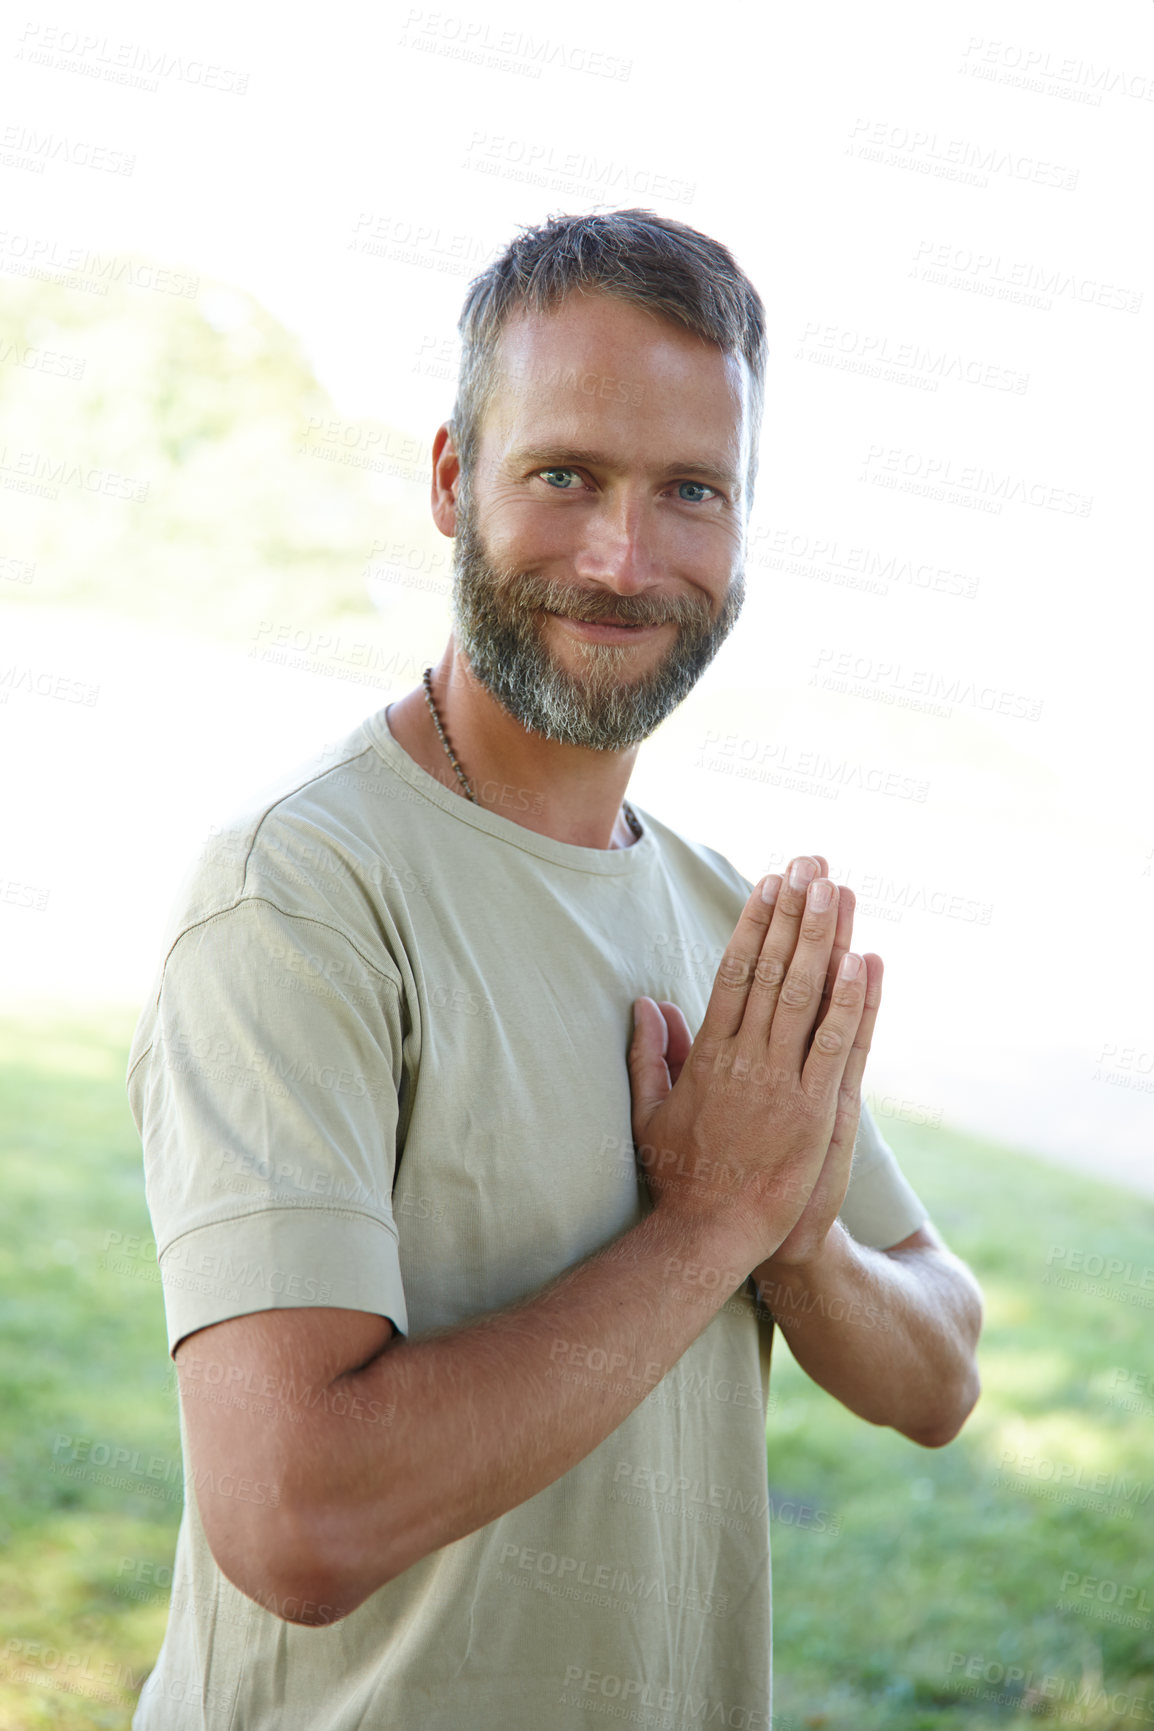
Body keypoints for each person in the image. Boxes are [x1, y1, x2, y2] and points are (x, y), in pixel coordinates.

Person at [127, 207, 983, 1730]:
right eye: (564, 475)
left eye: (690, 492)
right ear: (454, 480)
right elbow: (294, 1524)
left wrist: (794, 1237)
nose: (621, 555)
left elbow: (937, 1375)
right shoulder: (302, 893)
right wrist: (711, 1220)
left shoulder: (734, 922)